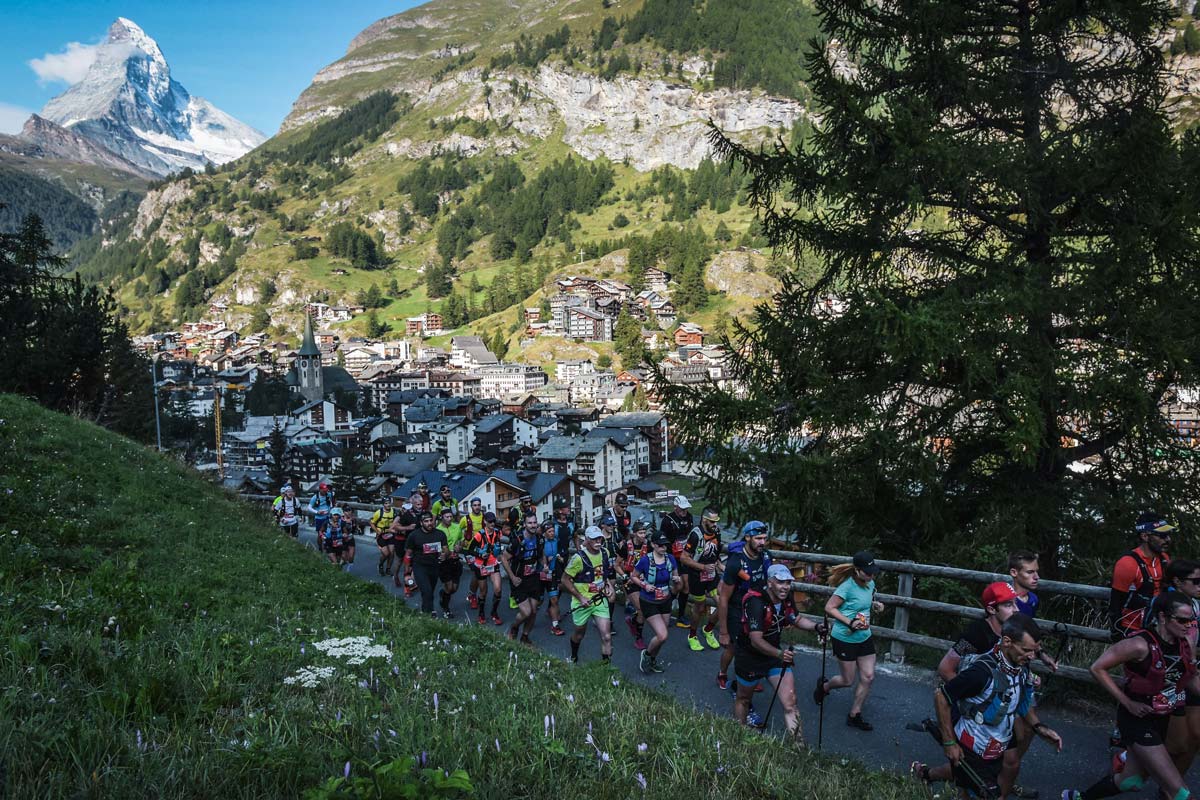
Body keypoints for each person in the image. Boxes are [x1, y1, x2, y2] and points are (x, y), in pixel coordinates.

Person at [1063, 593, 1199, 800]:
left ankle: (1079, 797)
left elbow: (1189, 679)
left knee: (1131, 781)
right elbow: (1097, 668)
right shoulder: (1139, 644)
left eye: (1191, 620)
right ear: (1163, 617)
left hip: (1163, 718)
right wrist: (1127, 702)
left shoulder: (1185, 643)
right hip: (1137, 719)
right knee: (1181, 794)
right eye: (1182, 620)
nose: (1188, 626)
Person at [916, 614, 1063, 799]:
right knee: (974, 790)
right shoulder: (982, 672)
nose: (1032, 656)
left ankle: (927, 774)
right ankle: (927, 774)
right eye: (1027, 650)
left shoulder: (1021, 664)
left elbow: (1020, 703)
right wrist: (949, 743)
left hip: (1000, 736)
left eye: (1034, 651)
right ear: (1007, 642)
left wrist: (1039, 727)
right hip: (974, 744)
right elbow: (941, 696)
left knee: (1008, 768)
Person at [734, 563, 828, 738]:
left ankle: (799, 747)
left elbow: (795, 619)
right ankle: (738, 736)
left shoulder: (786, 598)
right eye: (780, 582)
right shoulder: (755, 602)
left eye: (788, 582)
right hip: (749, 656)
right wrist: (780, 654)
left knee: (790, 702)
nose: (785, 587)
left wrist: (816, 627)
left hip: (774, 655)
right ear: (770, 583)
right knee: (744, 699)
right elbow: (756, 640)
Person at [815, 550, 886, 731]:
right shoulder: (846, 587)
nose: (871, 576)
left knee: (868, 676)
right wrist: (850, 622)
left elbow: (865, 601)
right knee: (847, 680)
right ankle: (824, 687)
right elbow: (829, 608)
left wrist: (875, 605)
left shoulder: (870, 583)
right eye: (867, 573)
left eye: (873, 572)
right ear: (857, 570)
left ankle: (855, 714)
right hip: (845, 637)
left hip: (864, 636)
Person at [717, 520, 773, 690]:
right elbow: (723, 598)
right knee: (735, 648)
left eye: (764, 538)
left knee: (756, 644)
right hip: (737, 610)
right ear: (748, 537)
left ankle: (750, 676)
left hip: (756, 608)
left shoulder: (766, 556)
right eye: (758, 538)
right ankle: (722, 673)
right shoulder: (736, 562)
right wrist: (723, 632)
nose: (762, 542)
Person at [1162, 560, 1200, 782]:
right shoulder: (1164, 604)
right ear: (1177, 581)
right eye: (1196, 581)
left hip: (1190, 672)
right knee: (1176, 744)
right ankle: (1132, 759)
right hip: (1170, 678)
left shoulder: (1195, 604)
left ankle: (1173, 790)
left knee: (1196, 736)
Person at [937, 582, 1020, 682]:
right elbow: (945, 669)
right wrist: (964, 690)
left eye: (1015, 603)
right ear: (991, 609)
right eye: (1008, 605)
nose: (1017, 609)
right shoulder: (975, 634)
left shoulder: (1014, 629)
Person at [1110, 512, 1175, 638]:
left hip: (1159, 627)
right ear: (1145, 536)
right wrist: (1118, 635)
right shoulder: (1128, 563)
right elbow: (1115, 604)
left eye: (1168, 534)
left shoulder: (1164, 559)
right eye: (1162, 535)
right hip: (1133, 630)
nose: (1168, 539)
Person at [562, 525, 616, 664]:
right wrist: (580, 597)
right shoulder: (578, 558)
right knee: (579, 634)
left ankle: (606, 669)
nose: (598, 541)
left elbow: (603, 574)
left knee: (606, 636)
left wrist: (608, 586)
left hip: (599, 600)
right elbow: (565, 579)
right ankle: (573, 657)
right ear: (587, 539)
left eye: (600, 538)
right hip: (582, 603)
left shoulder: (605, 553)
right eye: (594, 539)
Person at [631, 531, 682, 674]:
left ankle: (652, 660)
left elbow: (677, 579)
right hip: (649, 601)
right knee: (662, 635)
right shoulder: (645, 560)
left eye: (665, 545)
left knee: (662, 637)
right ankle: (646, 655)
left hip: (665, 600)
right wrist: (644, 585)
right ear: (653, 545)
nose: (663, 548)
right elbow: (633, 576)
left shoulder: (670, 559)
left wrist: (677, 580)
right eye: (660, 545)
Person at [681, 506, 724, 651]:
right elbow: (684, 558)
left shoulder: (717, 532)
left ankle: (708, 629)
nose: (715, 524)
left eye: (716, 521)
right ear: (704, 520)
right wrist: (703, 567)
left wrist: (720, 565)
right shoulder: (695, 535)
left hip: (712, 575)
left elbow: (716, 553)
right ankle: (692, 636)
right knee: (699, 607)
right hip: (696, 576)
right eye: (712, 521)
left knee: (723, 604)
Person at [501, 512, 545, 644]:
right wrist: (512, 577)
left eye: (534, 522)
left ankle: (525, 637)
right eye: (530, 523)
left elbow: (541, 555)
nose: (533, 525)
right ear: (525, 524)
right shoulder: (517, 540)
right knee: (526, 612)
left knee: (534, 611)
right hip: (519, 580)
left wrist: (544, 566)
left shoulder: (539, 539)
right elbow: (504, 558)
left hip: (534, 579)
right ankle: (514, 628)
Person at [660, 495, 695, 626]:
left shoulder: (689, 517)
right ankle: (665, 609)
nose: (684, 511)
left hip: (685, 555)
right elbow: (662, 540)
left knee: (686, 587)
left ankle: (681, 615)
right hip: (672, 556)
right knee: (679, 585)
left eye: (686, 509)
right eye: (682, 509)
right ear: (675, 507)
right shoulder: (667, 521)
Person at [403, 511, 447, 615]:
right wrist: (407, 574)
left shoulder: (440, 534)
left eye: (431, 520)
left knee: (429, 592)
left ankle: (424, 611)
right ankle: (430, 612)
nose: (429, 523)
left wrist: (445, 554)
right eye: (426, 521)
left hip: (434, 567)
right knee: (427, 591)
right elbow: (408, 555)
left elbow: (446, 549)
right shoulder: (414, 535)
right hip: (420, 567)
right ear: (421, 523)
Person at [619, 519, 652, 650]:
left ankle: (633, 621)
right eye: (640, 533)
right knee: (641, 609)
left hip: (643, 579)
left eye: (644, 533)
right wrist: (624, 576)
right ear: (634, 533)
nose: (643, 535)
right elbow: (616, 565)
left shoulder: (648, 545)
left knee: (644, 609)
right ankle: (639, 638)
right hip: (630, 580)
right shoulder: (626, 546)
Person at [467, 511, 504, 625]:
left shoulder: (498, 532)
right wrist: (480, 554)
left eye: (494, 521)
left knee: (498, 589)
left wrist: (499, 552)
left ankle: (494, 613)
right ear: (485, 522)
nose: (492, 523)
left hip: (493, 563)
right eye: (490, 521)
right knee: (483, 591)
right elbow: (470, 550)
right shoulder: (479, 535)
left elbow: (499, 546)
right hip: (481, 565)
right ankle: (481, 613)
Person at [435, 507, 466, 619]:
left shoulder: (457, 527)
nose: (449, 519)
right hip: (444, 563)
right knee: (449, 587)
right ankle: (446, 609)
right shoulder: (437, 530)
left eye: (451, 516)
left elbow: (462, 540)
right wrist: (443, 554)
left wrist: (460, 547)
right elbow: (435, 548)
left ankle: (443, 593)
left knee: (454, 589)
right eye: (447, 517)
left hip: (455, 561)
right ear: (441, 518)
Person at [541, 519, 567, 636]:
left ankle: (555, 625)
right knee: (537, 602)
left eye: (553, 531)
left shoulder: (557, 541)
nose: (552, 533)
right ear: (544, 533)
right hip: (542, 574)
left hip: (553, 574)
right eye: (549, 531)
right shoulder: (541, 543)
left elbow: (562, 554)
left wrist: (560, 558)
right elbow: (539, 557)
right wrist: (545, 563)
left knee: (554, 599)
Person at [391, 496, 419, 594]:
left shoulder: (413, 515)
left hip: (409, 541)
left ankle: (409, 584)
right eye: (406, 508)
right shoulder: (399, 516)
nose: (407, 510)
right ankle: (395, 576)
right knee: (399, 561)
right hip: (400, 540)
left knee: (409, 563)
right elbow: (392, 528)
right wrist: (406, 528)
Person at [464, 497, 486, 609]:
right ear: (471, 506)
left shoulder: (484, 517)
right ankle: (472, 595)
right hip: (469, 550)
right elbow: (459, 531)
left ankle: (472, 594)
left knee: (478, 573)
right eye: (475, 505)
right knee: (477, 572)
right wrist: (461, 541)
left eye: (478, 505)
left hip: (481, 550)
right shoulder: (466, 519)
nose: (477, 507)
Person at [370, 494, 399, 576]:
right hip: (381, 534)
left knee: (392, 553)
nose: (388, 505)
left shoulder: (394, 512)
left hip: (390, 534)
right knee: (386, 554)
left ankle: (388, 569)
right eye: (386, 503)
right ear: (383, 504)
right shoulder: (378, 513)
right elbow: (372, 523)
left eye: (389, 503)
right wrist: (377, 531)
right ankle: (380, 565)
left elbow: (396, 521)